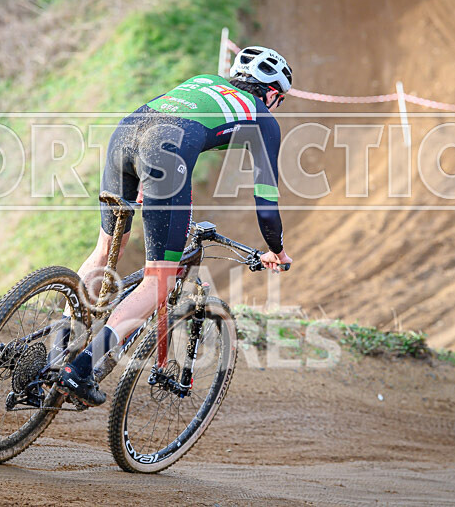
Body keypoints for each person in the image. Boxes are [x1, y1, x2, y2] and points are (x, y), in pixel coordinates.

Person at [54, 46, 294, 406]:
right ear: (272, 93)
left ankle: (58, 348)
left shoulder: (203, 81)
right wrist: (276, 249)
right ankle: (81, 369)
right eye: (280, 100)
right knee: (159, 281)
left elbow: (172, 120)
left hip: (126, 134)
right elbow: (266, 206)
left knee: (104, 250)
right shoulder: (263, 118)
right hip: (164, 155)